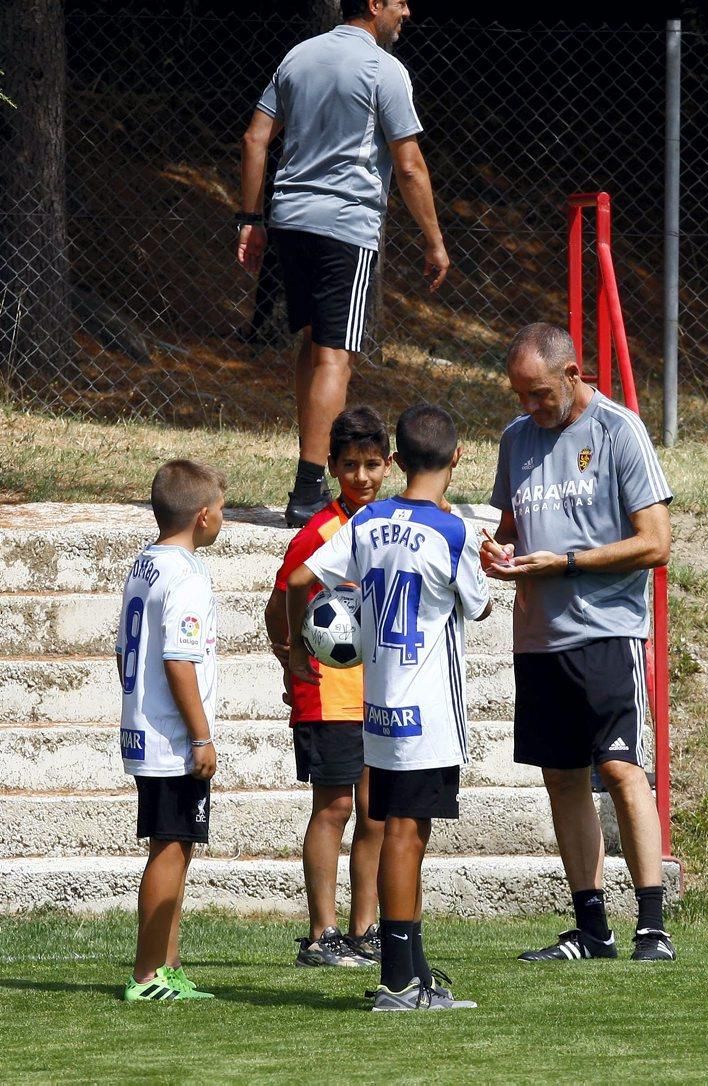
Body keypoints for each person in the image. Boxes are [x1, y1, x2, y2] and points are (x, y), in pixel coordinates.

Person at [287, 404, 492, 1011]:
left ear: (396, 461)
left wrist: (300, 648)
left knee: (402, 831)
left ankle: (413, 971)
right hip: (427, 712)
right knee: (406, 835)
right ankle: (400, 982)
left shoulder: (370, 518)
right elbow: (476, 607)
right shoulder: (451, 532)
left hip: (376, 709)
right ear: (458, 458)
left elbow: (302, 580)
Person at [482, 322, 676, 963]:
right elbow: (512, 525)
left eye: (537, 393)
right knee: (561, 779)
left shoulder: (621, 431)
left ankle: (653, 926)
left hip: (607, 630)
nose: (528, 407)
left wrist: (564, 563)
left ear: (572, 374)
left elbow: (655, 542)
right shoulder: (516, 438)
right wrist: (500, 553)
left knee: (621, 770)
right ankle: (592, 929)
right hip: (538, 637)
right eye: (518, 394)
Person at [238, 0, 450, 528]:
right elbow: (409, 165)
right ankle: (311, 488)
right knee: (336, 356)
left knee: (313, 344)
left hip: (289, 219)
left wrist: (249, 216)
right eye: (400, 2)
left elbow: (255, 138)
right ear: (374, 4)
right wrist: (434, 240)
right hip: (345, 227)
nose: (408, 12)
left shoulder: (299, 56)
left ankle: (310, 474)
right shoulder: (384, 69)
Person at [264, 406, 391, 967]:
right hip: (329, 695)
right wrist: (291, 657)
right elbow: (280, 601)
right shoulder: (319, 534)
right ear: (333, 468)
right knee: (334, 807)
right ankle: (321, 933)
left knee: (374, 813)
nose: (360, 477)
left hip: (381, 692)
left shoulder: (392, 527)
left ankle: (366, 930)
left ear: (388, 465)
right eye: (348, 466)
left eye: (370, 464)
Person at [116, 459, 226, 1001]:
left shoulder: (144, 566)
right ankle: (147, 974)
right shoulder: (185, 577)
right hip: (173, 740)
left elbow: (123, 654)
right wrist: (200, 736)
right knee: (170, 846)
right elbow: (179, 663)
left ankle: (169, 966)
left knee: (178, 844)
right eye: (223, 510)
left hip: (144, 727)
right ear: (203, 516)